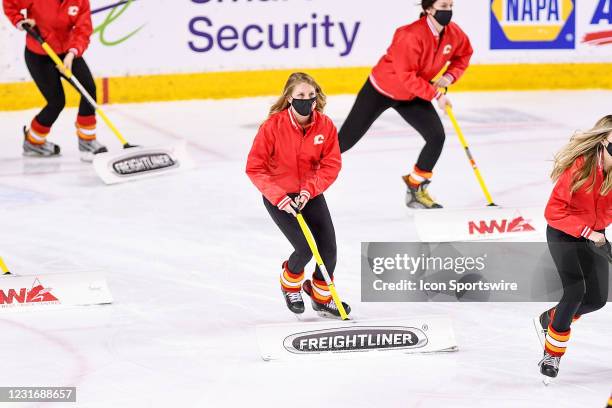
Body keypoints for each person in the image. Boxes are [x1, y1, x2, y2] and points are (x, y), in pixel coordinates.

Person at [338, 0, 472, 209]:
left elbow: (464, 54)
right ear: (428, 9)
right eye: (443, 6)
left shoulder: (454, 33)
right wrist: (436, 94)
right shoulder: (409, 35)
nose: (448, 11)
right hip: (381, 89)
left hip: (412, 93)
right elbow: (405, 77)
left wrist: (448, 77)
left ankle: (415, 187)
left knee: (436, 136)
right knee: (344, 142)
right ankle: (300, 168)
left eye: (450, 6)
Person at [246, 72, 350, 319]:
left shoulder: (325, 125)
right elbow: (255, 167)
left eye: (311, 95)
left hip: (309, 194)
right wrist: (279, 197)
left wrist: (309, 190)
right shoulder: (272, 127)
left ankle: (321, 297)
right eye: (300, 95)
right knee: (304, 249)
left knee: (328, 250)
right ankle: (290, 283)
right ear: (289, 98)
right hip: (279, 196)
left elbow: (330, 164)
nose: (307, 100)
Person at [535, 115, 612, 382]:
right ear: (604, 140)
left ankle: (553, 319)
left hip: (594, 235)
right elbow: (553, 211)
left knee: (596, 300)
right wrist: (588, 231)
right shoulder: (581, 166)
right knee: (575, 290)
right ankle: (552, 354)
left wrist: (598, 232)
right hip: (563, 232)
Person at [3, 0, 107, 161]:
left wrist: (72, 54)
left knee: (88, 90)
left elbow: (83, 29)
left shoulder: (80, 2)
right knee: (56, 102)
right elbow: (10, 3)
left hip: (68, 52)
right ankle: (33, 142)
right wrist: (20, 22)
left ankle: (87, 141)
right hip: (39, 55)